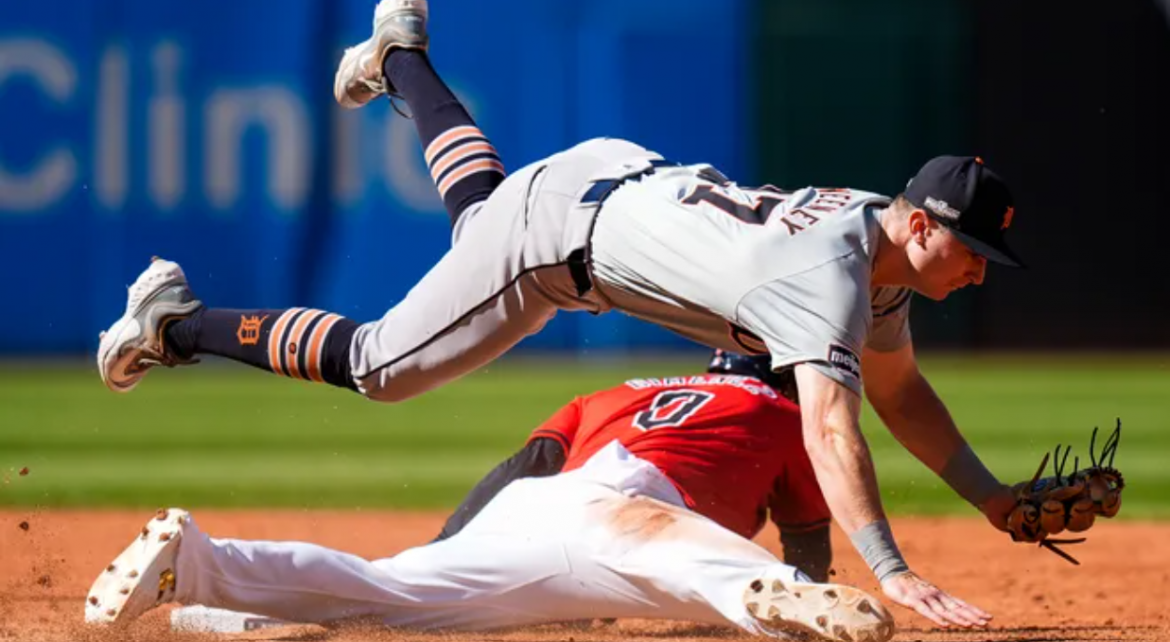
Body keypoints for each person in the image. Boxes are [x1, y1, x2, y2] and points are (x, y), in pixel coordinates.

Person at [95, 0, 1018, 626]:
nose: (982, 271)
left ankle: (401, 57)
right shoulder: (835, 276)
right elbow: (829, 425)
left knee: (478, 218)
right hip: (559, 246)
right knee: (380, 366)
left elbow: (901, 397)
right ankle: (174, 321)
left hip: (608, 175)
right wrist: (890, 569)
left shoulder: (876, 238)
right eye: (974, 250)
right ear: (921, 224)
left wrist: (996, 501)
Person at [85, 352, 896, 642]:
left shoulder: (618, 390)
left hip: (542, 505)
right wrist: (809, 576)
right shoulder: (792, 413)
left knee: (389, 590)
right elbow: (809, 538)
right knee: (708, 566)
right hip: (635, 508)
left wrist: (447, 550)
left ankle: (197, 567)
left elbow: (523, 466)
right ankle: (775, 600)